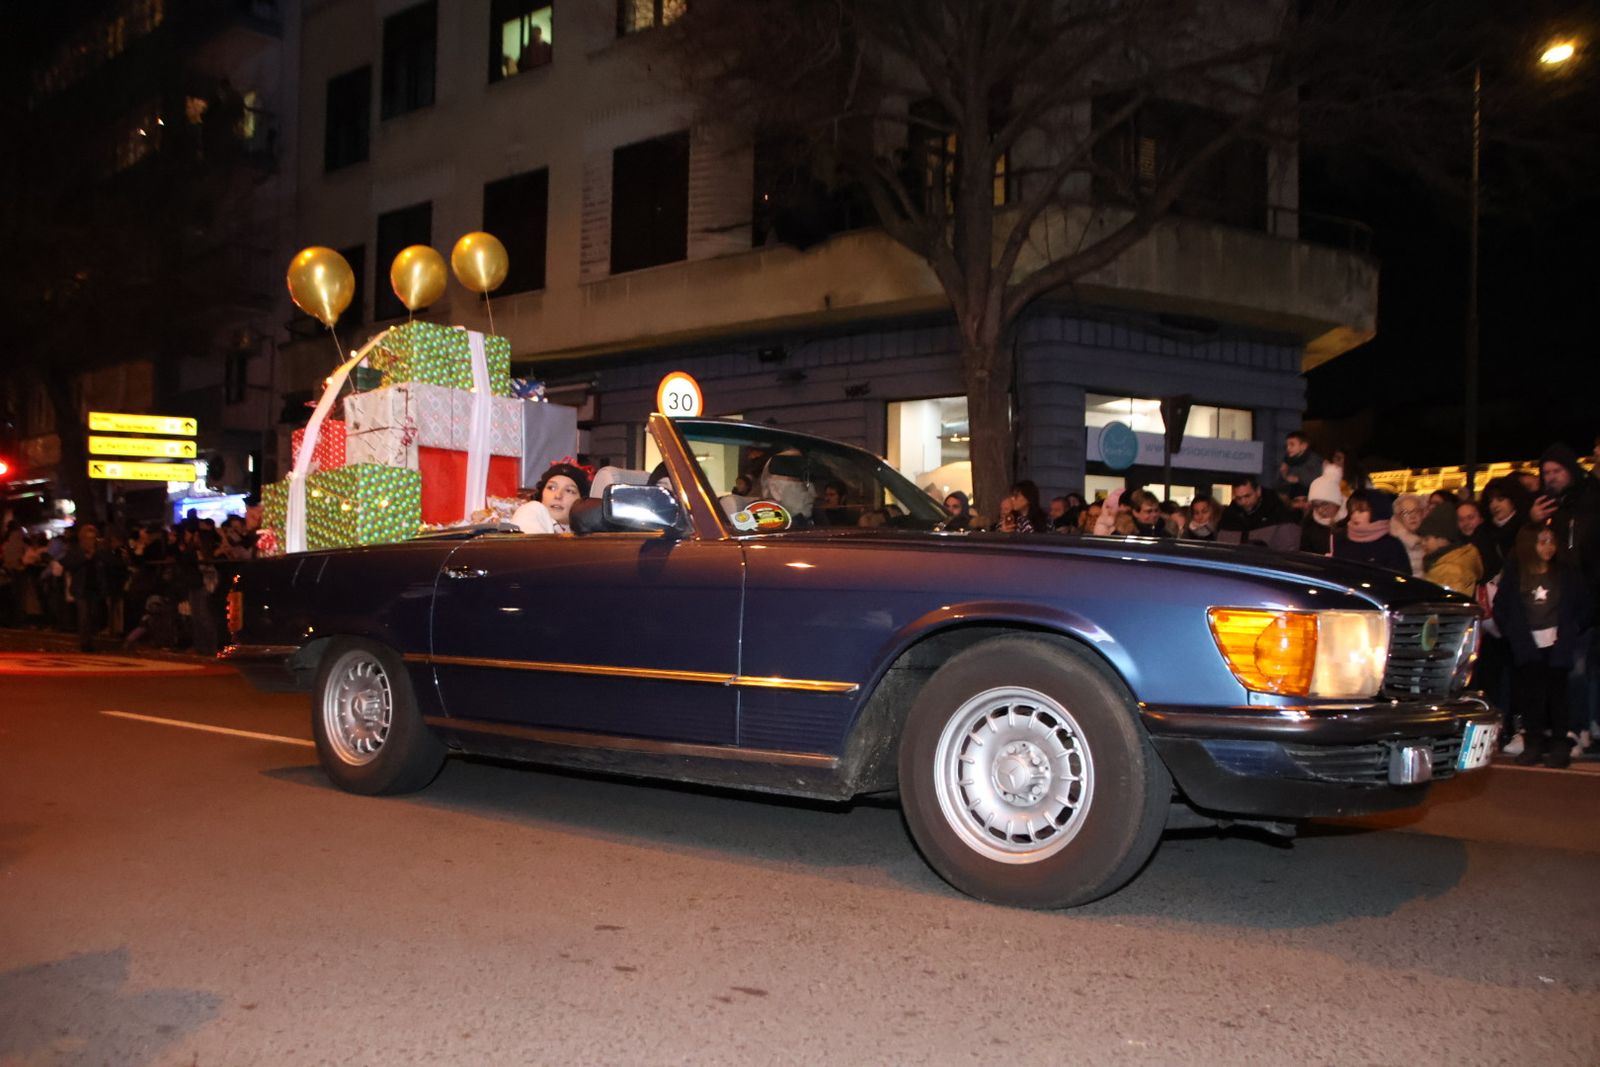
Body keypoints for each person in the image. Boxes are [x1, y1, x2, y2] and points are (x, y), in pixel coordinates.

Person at [1494, 526, 1592, 767]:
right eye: (1542, 542)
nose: (1548, 547)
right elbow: (1502, 608)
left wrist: (1571, 630)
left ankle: (1560, 744)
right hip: (1527, 646)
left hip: (1558, 645)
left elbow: (1583, 606)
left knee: (1558, 697)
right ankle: (1534, 744)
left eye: (1551, 541)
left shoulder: (1565, 573)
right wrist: (1514, 635)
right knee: (1532, 697)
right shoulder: (1516, 575)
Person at [1331, 490, 1412, 575]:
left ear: (1377, 513)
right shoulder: (1341, 540)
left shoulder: (1392, 546)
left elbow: (1401, 578)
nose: (1355, 515)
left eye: (1361, 511)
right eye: (1352, 511)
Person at [1217, 474, 1299, 551]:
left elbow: (1288, 551)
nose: (1243, 502)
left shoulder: (1279, 514)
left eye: (1247, 496)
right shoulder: (1228, 517)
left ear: (1258, 491)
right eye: (1238, 498)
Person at [1417, 504, 1482, 596]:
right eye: (1422, 539)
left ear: (1442, 539)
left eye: (1427, 539)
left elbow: (1452, 602)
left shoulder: (1451, 569)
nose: (1423, 543)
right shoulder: (1444, 562)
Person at [514, 461, 592, 534]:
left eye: (569, 491)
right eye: (551, 488)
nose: (558, 496)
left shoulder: (584, 531)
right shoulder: (531, 510)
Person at [1299, 464, 1346, 554]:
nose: (1320, 510)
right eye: (1316, 506)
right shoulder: (1309, 524)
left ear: (1336, 502)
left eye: (1325, 504)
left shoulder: (1351, 522)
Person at [1455, 499, 1500, 578]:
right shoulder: (1454, 546)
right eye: (1461, 519)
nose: (1466, 523)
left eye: (1470, 518)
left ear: (1481, 519)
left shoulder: (1494, 541)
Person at [1278, 431, 1322, 504]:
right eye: (1287, 445)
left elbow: (1317, 478)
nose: (1288, 448)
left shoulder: (1314, 460)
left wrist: (1298, 478)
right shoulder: (1287, 461)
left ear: (1304, 446)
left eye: (1292, 444)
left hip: (1310, 500)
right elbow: (1281, 484)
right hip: (1293, 500)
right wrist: (1284, 474)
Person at [1390, 493, 1426, 577]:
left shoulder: (1430, 537)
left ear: (1423, 513)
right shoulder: (1395, 543)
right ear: (1397, 517)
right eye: (1405, 513)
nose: (1412, 516)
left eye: (1416, 511)